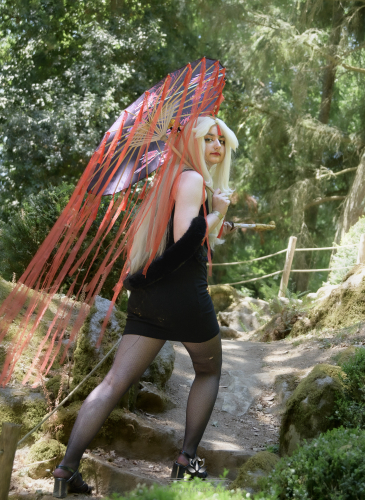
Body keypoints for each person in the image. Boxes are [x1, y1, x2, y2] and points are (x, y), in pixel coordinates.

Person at [52, 116, 239, 497]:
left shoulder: (170, 181)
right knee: (208, 371)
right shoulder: (192, 178)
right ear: (190, 141)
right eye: (208, 139)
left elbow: (186, 230)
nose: (217, 146)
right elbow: (185, 240)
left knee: (114, 382)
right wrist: (218, 210)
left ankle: (66, 470)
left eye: (221, 141)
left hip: (149, 296)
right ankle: (186, 460)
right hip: (184, 296)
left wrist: (219, 219)